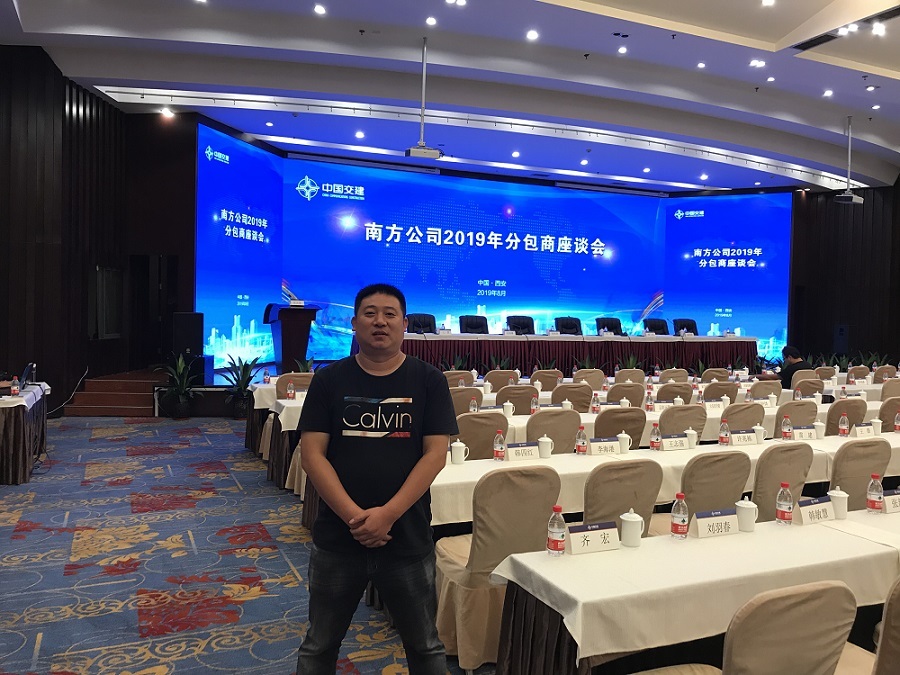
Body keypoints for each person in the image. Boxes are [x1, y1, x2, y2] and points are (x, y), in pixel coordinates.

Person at [296, 283, 458, 675]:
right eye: (370, 313)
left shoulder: (429, 380)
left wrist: (388, 514)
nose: (380, 322)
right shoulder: (329, 379)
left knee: (425, 647)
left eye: (389, 314)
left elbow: (435, 454)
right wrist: (356, 517)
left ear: (405, 324)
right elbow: (312, 455)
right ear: (354, 323)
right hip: (338, 538)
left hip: (407, 535)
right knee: (319, 646)